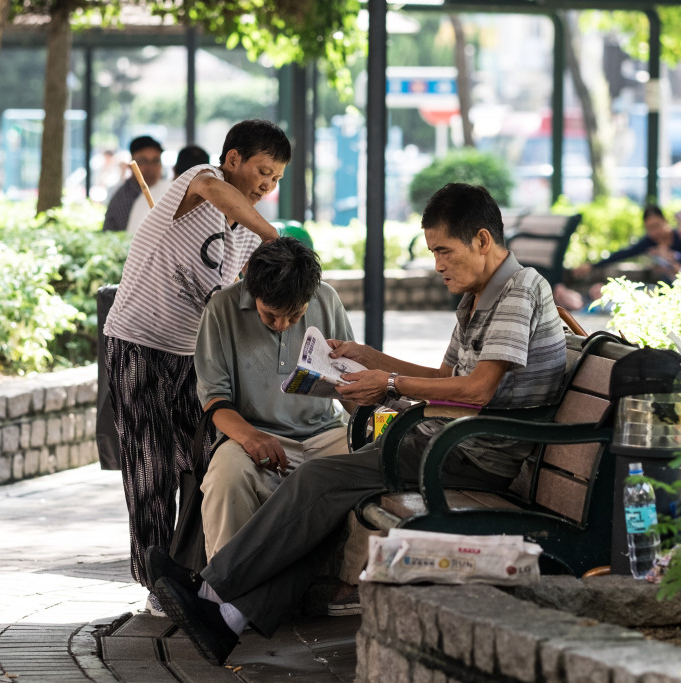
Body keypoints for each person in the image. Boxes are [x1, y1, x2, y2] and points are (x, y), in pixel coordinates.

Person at [148, 183, 567, 664]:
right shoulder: (477, 297)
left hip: (473, 453)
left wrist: (389, 383)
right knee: (323, 500)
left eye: (443, 251)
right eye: (433, 252)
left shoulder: (518, 291)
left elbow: (477, 390)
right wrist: (373, 360)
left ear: (482, 240)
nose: (437, 265)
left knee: (319, 480)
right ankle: (228, 616)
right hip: (450, 443)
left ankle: (212, 594)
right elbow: (446, 378)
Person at [103, 119, 291, 615]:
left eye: (275, 180)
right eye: (262, 172)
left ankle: (192, 570)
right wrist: (275, 235)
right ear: (232, 160)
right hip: (138, 343)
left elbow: (250, 305)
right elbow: (215, 191)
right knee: (149, 468)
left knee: (208, 457)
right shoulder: (199, 184)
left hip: (192, 356)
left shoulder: (247, 238)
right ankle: (154, 583)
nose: (266, 186)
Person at [194, 236, 356, 560]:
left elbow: (348, 380)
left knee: (380, 464)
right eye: (270, 315)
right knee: (225, 478)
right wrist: (251, 437)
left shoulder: (327, 300)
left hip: (326, 434)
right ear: (254, 292)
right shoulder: (221, 310)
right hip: (251, 435)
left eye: (295, 315)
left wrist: (373, 424)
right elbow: (215, 400)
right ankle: (227, 594)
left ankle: (348, 585)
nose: (282, 325)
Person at [573, 204, 681, 302]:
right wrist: (593, 266)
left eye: (657, 226)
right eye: (650, 228)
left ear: (665, 221)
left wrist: (672, 261)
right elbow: (623, 254)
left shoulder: (678, 236)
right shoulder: (650, 242)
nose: (655, 232)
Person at [102, 135, 170, 235]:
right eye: (143, 161)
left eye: (155, 161)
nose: (150, 168)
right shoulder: (124, 199)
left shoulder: (167, 189)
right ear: (131, 165)